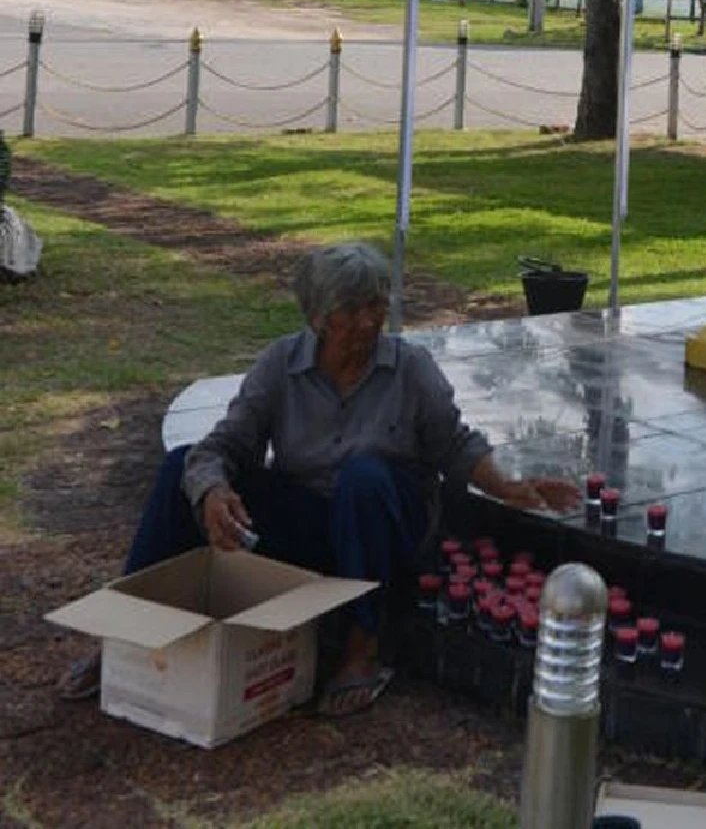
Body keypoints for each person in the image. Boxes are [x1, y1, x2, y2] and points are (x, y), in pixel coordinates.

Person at [59, 242, 580, 716]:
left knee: (364, 476)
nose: (369, 321)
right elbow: (222, 446)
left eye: (377, 305)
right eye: (351, 311)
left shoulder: (410, 368)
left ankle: (363, 645)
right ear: (316, 318)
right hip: (313, 517)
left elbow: (456, 443)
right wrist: (214, 491)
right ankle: (121, 634)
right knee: (182, 467)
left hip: (385, 524)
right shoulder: (280, 365)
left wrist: (506, 485)